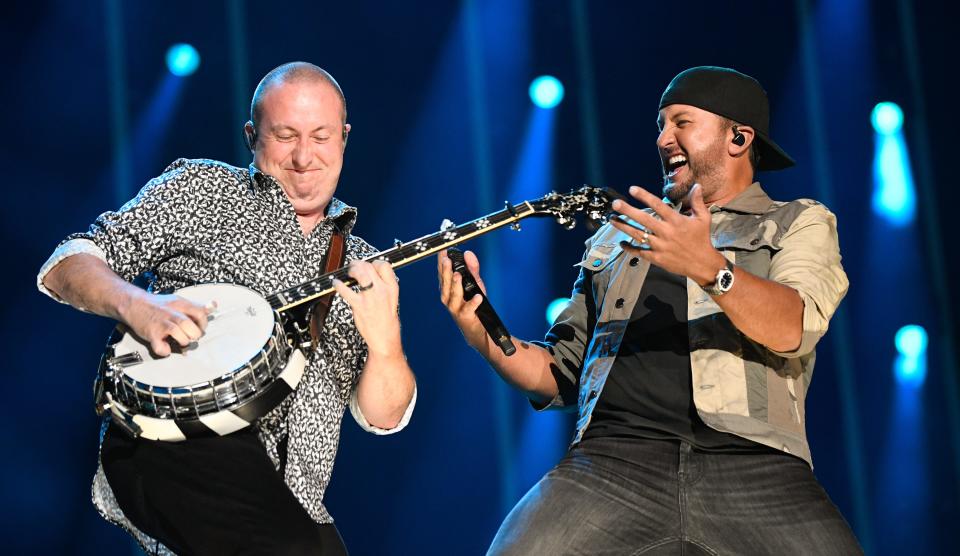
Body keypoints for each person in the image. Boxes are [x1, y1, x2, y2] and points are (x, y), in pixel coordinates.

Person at [438, 66, 862, 555]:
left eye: (681, 122)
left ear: (739, 137)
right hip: (614, 462)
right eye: (660, 125)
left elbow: (795, 326)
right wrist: (483, 334)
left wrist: (709, 267)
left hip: (756, 463)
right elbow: (560, 375)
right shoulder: (618, 238)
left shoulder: (797, 221)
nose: (663, 139)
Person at [38, 62, 417, 555]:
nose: (304, 157)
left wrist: (386, 345)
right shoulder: (203, 191)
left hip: (291, 503)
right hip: (174, 438)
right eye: (285, 135)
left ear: (344, 138)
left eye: (321, 136)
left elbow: (383, 418)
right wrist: (139, 305)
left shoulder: (364, 265)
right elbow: (66, 264)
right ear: (251, 135)